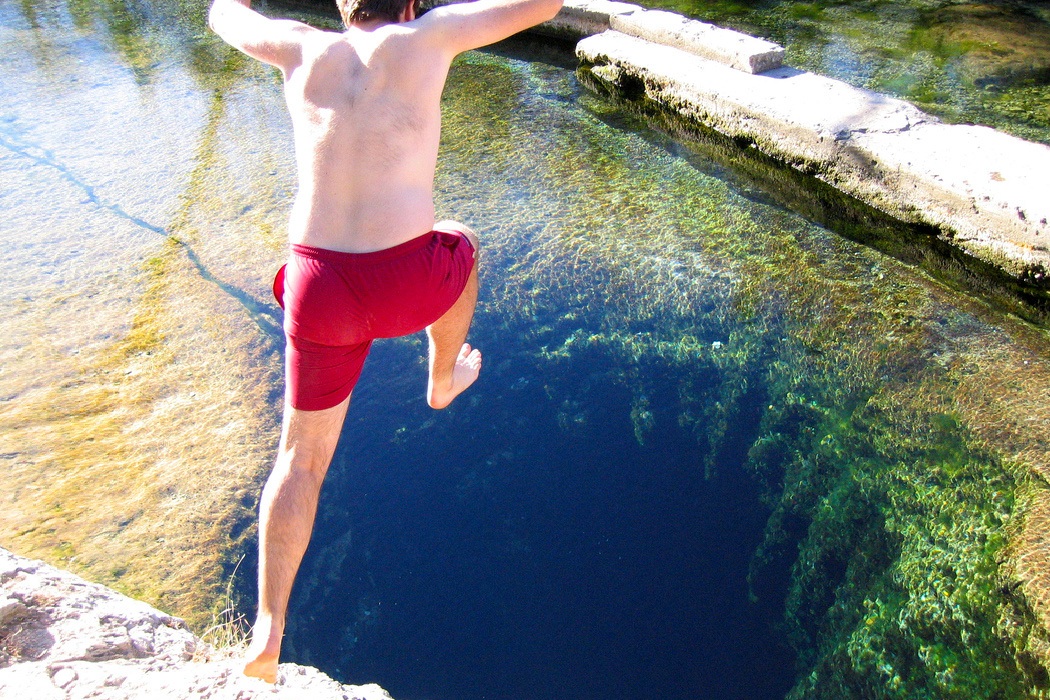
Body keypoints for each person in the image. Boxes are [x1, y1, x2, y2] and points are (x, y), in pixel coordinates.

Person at [208, 0, 563, 684]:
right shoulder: (430, 35)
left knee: (301, 458)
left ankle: (267, 626)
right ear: (410, 3)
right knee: (463, 242)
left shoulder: (300, 48)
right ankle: (440, 378)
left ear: (345, 6)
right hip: (407, 279)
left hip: (320, 288)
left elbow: (222, 15)